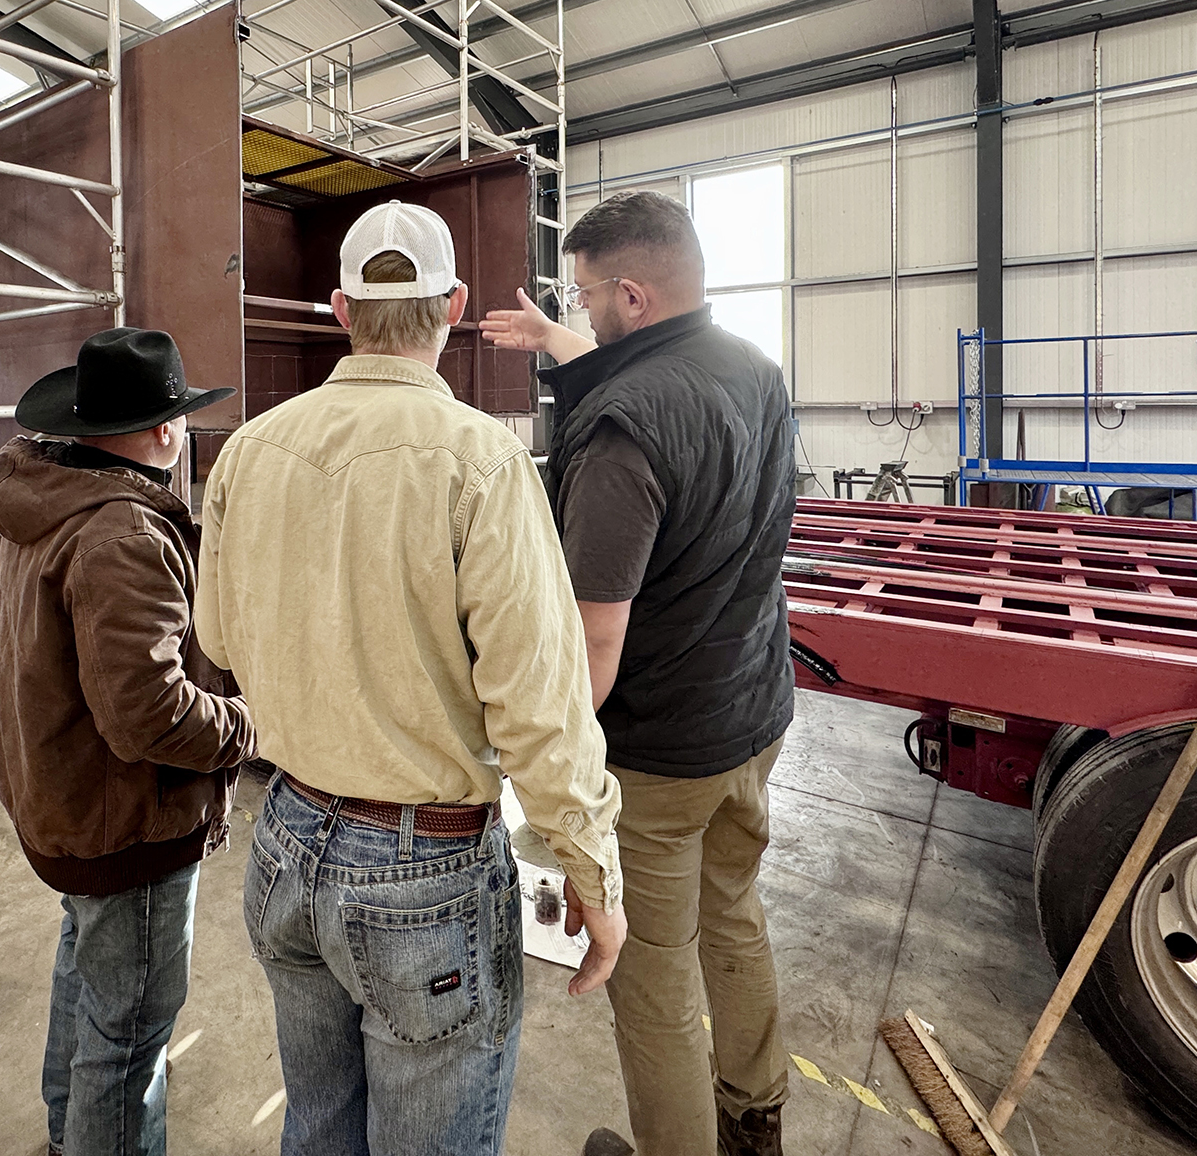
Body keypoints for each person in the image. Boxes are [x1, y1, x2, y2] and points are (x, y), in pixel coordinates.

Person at [195, 199, 628, 1156]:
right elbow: (539, 708)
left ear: (341, 309)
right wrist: (592, 871)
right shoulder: (483, 461)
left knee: (318, 1127)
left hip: (286, 844)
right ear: (457, 305)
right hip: (420, 871)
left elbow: (216, 639)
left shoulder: (248, 453)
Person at [481, 190, 799, 1156]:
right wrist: (553, 342)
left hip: (663, 753)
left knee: (653, 977)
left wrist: (546, 776)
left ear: (632, 294)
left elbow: (591, 646)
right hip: (754, 717)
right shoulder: (751, 368)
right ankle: (756, 1117)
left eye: (583, 299)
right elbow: (654, 384)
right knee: (734, 918)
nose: (577, 313)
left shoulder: (621, 436)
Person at [0, 327, 258, 1156]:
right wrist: (254, 724)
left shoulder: (46, 495)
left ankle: (68, 1133)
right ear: (164, 432)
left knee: (88, 973)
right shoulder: (124, 535)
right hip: (126, 825)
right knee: (132, 1036)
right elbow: (152, 717)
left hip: (65, 805)